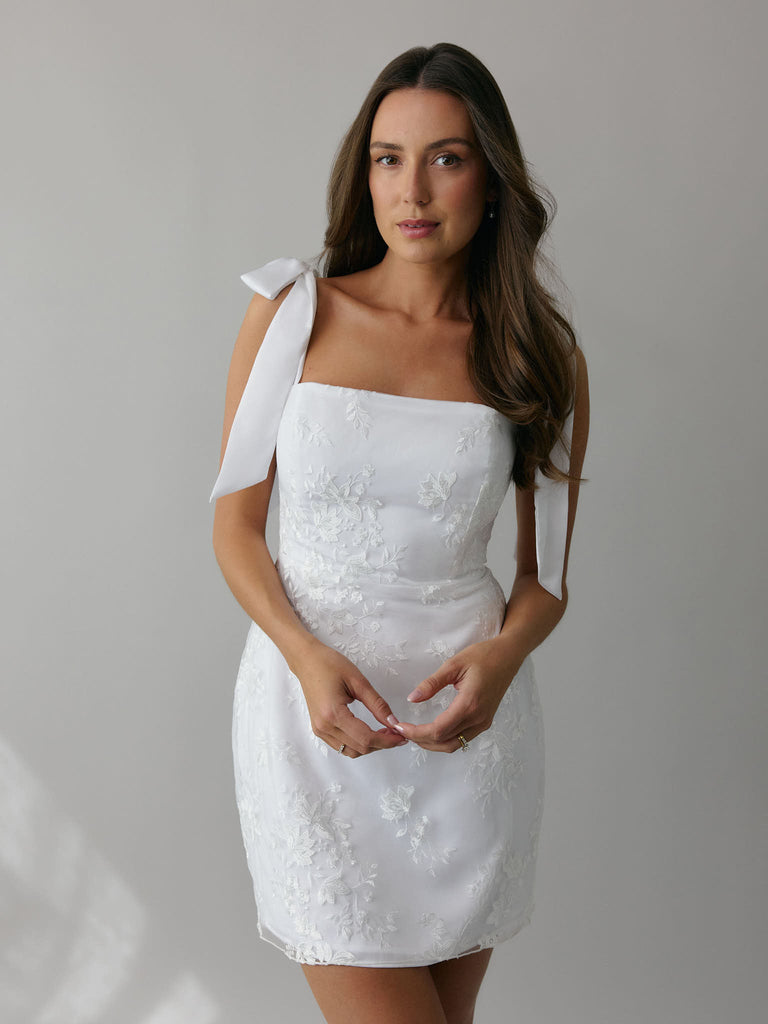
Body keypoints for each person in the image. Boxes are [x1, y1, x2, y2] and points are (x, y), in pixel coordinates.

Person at [210, 41, 589, 1024]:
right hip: (312, 725)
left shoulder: (536, 354)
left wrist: (502, 660)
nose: (411, 188)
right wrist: (302, 655)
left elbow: (543, 580)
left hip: (468, 735)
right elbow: (235, 527)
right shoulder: (292, 311)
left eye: (446, 157)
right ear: (362, 170)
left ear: (492, 175)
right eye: (387, 157)